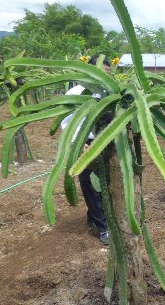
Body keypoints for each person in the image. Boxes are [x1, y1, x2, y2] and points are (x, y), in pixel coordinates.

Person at [61, 54, 111, 244]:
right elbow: (67, 123)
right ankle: (103, 227)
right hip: (84, 142)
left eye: (108, 73)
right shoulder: (76, 92)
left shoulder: (109, 92)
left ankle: (95, 218)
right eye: (102, 73)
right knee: (90, 184)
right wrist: (80, 144)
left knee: (105, 183)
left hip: (105, 141)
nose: (105, 78)